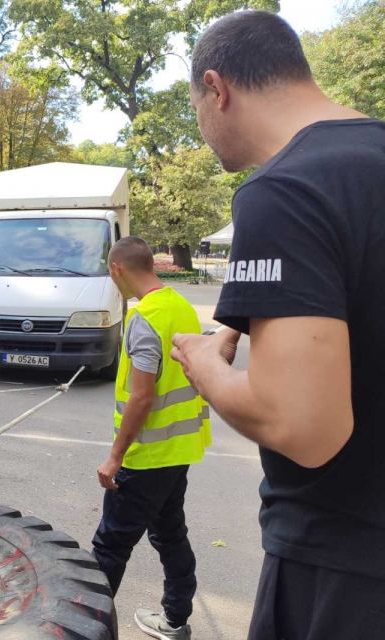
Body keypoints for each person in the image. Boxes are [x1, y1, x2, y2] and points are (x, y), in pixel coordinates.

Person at [169, 12, 385, 639]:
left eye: (196, 108)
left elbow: (303, 426)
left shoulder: (284, 187)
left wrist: (207, 369)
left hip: (346, 565)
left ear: (218, 88)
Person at [90, 237, 209, 640]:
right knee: (169, 533)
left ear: (118, 269)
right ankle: (175, 619)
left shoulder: (146, 317)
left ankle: (87, 630)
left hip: (146, 458)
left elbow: (142, 396)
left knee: (109, 547)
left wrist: (114, 457)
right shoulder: (181, 307)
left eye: (111, 273)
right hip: (179, 451)